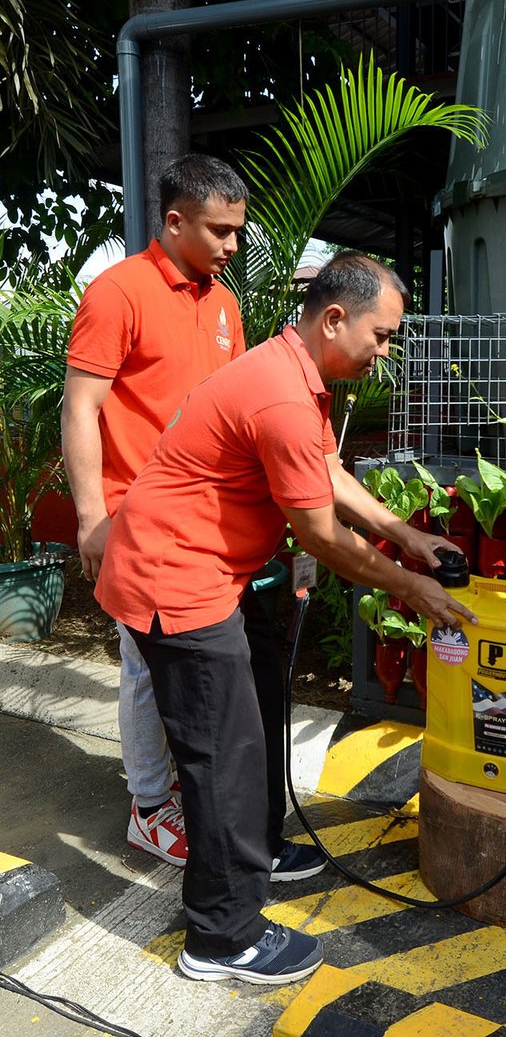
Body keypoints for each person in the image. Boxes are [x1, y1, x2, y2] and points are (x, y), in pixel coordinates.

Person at [93, 252, 477, 986]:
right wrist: (413, 587)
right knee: (222, 757)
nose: (385, 351)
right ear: (335, 317)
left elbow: (324, 472)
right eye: (383, 334)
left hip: (213, 574)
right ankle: (222, 934)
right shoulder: (279, 392)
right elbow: (322, 536)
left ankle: (258, 849)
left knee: (260, 706)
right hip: (177, 580)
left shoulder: (292, 372)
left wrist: (404, 532)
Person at [63, 153, 249, 868]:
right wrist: (90, 517)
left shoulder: (223, 301)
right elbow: (82, 409)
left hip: (206, 524)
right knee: (144, 663)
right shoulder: (118, 293)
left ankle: (177, 787)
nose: (232, 245)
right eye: (219, 230)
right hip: (134, 521)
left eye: (237, 230)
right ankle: (148, 804)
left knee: (189, 669)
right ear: (174, 221)